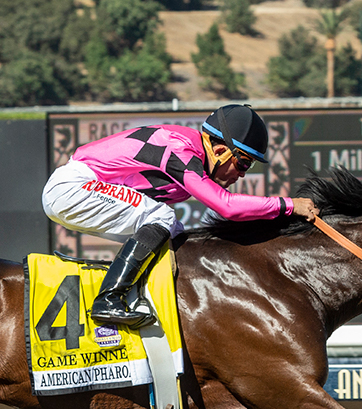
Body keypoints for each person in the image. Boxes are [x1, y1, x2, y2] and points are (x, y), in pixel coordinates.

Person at [42, 104, 319, 329]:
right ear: (220, 150)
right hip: (73, 187)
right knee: (162, 216)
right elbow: (228, 208)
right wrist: (287, 205)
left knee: (176, 234)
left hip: (81, 189)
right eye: (243, 162)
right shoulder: (181, 150)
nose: (243, 173)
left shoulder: (192, 155)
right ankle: (108, 300)